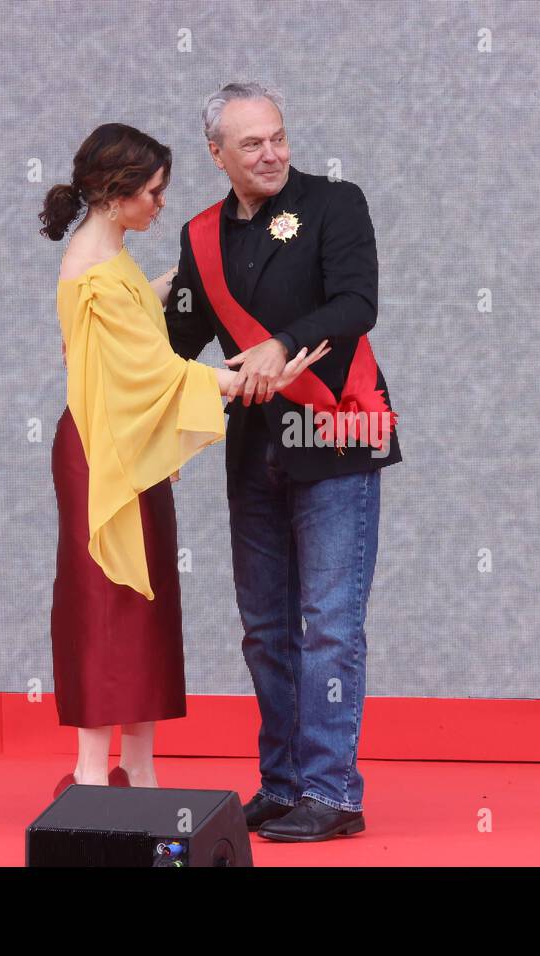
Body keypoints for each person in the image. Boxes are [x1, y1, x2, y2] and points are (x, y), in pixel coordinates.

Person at [37, 123, 329, 797]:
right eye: (154, 192)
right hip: (102, 451)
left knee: (144, 602)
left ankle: (137, 770)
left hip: (128, 444)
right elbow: (151, 374)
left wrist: (182, 279)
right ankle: (90, 775)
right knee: (104, 601)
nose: (161, 204)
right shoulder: (93, 271)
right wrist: (254, 377)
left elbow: (137, 323)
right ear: (116, 194)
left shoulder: (110, 256)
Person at [167, 83, 403, 841]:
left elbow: (356, 304)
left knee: (330, 626)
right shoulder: (201, 234)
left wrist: (280, 343)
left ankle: (333, 793)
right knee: (266, 627)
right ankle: (282, 781)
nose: (271, 153)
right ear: (217, 155)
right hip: (257, 445)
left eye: (278, 137)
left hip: (333, 432)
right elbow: (181, 342)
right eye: (250, 145)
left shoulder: (335, 203)